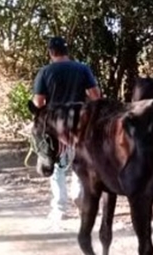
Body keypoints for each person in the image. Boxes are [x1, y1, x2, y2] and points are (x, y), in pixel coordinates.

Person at [32, 36, 101, 222]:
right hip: (81, 124)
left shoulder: (45, 72)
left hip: (57, 127)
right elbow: (96, 96)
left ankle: (60, 209)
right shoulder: (82, 68)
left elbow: (38, 102)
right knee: (80, 164)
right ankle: (80, 200)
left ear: (50, 52)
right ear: (67, 51)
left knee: (57, 168)